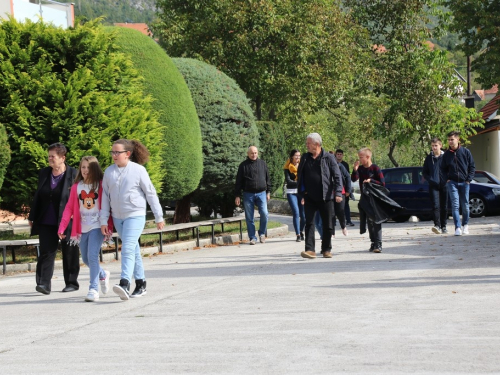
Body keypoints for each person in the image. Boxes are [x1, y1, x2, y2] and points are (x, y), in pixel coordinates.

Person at [100, 139, 164, 301]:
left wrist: (158, 216)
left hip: (135, 215)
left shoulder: (138, 170)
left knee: (127, 248)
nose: (114, 155)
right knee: (133, 249)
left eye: (117, 152)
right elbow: (105, 198)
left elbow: (150, 193)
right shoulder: (109, 172)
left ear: (127, 154)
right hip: (117, 217)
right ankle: (141, 284)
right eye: (112, 152)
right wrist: (103, 220)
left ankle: (124, 283)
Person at [58, 156, 114, 302]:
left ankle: (93, 289)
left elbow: (108, 205)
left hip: (98, 226)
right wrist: (62, 227)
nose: (85, 170)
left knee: (93, 256)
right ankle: (102, 274)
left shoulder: (101, 185)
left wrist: (107, 224)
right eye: (83, 167)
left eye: (89, 167)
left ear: (95, 169)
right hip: (82, 228)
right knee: (86, 259)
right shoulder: (77, 187)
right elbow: (69, 207)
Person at [28, 143, 80, 295]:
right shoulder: (44, 173)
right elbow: (38, 195)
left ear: (63, 158)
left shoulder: (74, 174)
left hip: (68, 219)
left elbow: (78, 197)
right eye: (49, 156)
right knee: (46, 252)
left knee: (70, 251)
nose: (50, 159)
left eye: (53, 156)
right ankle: (43, 284)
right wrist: (32, 216)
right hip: (46, 219)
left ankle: (71, 282)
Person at [297, 133, 343, 259]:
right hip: (309, 196)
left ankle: (326, 249)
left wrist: (338, 192)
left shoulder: (329, 158)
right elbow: (300, 176)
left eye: (308, 143)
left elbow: (337, 176)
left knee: (328, 224)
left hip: (326, 197)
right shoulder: (305, 158)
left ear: (316, 144)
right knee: (309, 223)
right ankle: (310, 250)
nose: (306, 145)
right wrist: (301, 193)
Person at [441, 131, 475, 236]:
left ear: (457, 139)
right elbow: (442, 169)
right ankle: (457, 227)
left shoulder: (465, 152)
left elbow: (472, 166)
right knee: (455, 205)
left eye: (452, 139)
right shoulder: (446, 154)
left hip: (465, 182)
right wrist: (447, 179)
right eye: (449, 140)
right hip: (452, 183)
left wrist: (468, 179)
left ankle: (465, 225)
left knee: (465, 205)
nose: (450, 142)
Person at [234, 146, 271, 245]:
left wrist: (268, 192)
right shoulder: (243, 166)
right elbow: (238, 182)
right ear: (248, 154)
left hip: (262, 193)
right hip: (248, 194)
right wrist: (237, 195)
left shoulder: (262, 164)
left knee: (264, 213)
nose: (254, 155)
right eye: (252, 153)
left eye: (255, 153)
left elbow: (267, 178)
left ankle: (262, 233)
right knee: (249, 217)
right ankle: (252, 237)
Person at [351, 148, 385, 253]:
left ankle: (378, 244)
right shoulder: (361, 168)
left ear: (368, 157)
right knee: (369, 222)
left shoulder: (375, 168)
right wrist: (355, 169)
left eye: (361, 157)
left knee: (376, 221)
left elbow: (382, 183)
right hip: (365, 199)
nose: (360, 159)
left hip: (374, 199)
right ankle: (373, 242)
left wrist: (371, 181)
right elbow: (353, 179)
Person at [422, 138, 448, 234]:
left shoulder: (445, 157)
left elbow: (450, 168)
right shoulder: (429, 158)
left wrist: (447, 178)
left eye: (436, 145)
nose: (434, 147)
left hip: (444, 185)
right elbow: (425, 172)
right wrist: (430, 180)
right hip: (433, 185)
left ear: (440, 146)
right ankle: (437, 225)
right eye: (432, 146)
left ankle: (444, 226)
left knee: (444, 206)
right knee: (435, 206)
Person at [284, 149, 305, 242]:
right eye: (296, 155)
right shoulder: (287, 167)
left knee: (304, 216)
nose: (298, 157)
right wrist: (299, 183)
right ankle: (297, 234)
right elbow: (288, 181)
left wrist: (299, 184)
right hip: (291, 192)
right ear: (292, 156)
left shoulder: (302, 166)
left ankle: (301, 230)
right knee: (296, 213)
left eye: (299, 155)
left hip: (301, 193)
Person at [335, 149, 355, 226]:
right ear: (335, 155)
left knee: (345, 205)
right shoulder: (332, 163)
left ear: (342, 155)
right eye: (338, 154)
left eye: (340, 154)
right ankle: (334, 221)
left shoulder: (345, 164)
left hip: (344, 188)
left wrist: (348, 190)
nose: (339, 155)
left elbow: (347, 177)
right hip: (335, 188)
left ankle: (348, 220)